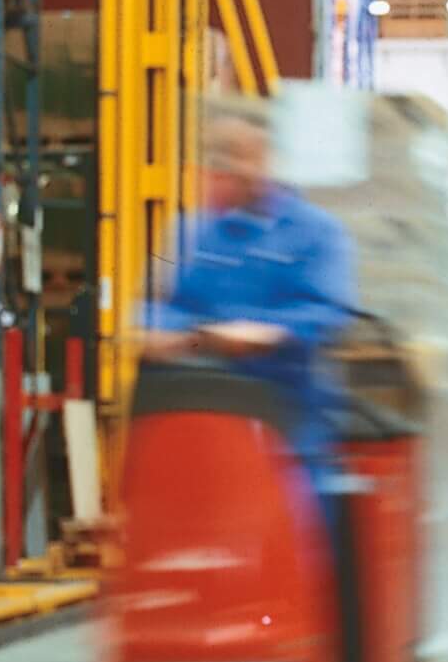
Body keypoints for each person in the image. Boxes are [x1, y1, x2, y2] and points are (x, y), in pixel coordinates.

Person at [138, 97, 357, 498]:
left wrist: (270, 332)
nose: (232, 168)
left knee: (297, 505)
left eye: (243, 155)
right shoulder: (185, 231)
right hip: (196, 415)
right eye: (220, 155)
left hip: (285, 423)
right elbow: (154, 302)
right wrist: (167, 331)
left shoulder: (318, 232)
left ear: (270, 156)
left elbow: (327, 313)